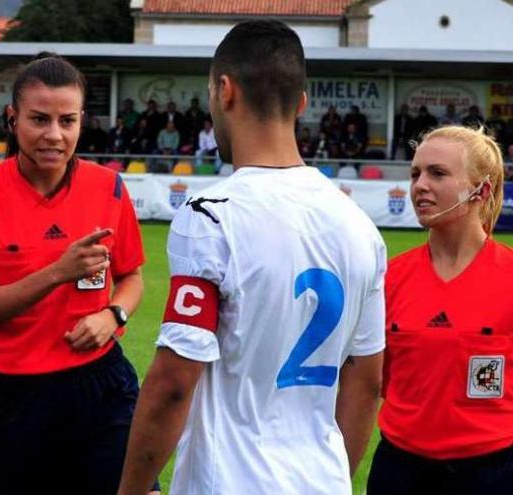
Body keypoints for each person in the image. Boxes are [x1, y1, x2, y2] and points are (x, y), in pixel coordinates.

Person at [118, 20, 386, 495]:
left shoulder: (211, 217)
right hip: (321, 482)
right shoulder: (361, 227)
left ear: (224, 91)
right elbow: (366, 383)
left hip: (229, 481)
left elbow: (175, 381)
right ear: (302, 103)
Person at [0, 53, 156, 495]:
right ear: (13, 118)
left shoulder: (109, 188)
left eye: (67, 121)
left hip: (101, 385)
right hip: (15, 397)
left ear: (81, 122)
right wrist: (57, 272)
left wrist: (113, 316)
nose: (54, 135)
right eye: (39, 119)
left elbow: (132, 277)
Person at [367, 125, 513, 494]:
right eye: (415, 173)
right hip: (400, 470)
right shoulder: (391, 278)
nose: (420, 185)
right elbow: (373, 381)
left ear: (482, 189)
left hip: (492, 473)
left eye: (438, 173)